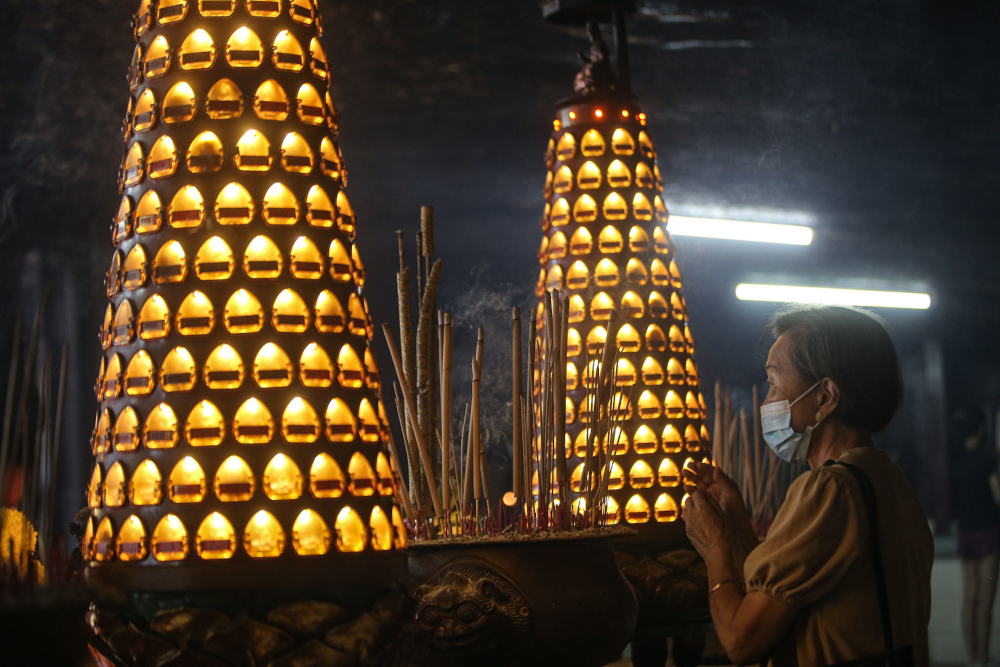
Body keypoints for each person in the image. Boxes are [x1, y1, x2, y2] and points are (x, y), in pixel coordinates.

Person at [682, 305, 934, 666]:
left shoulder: (828, 490)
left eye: (773, 384)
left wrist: (715, 548)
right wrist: (736, 521)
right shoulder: (888, 482)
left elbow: (741, 641)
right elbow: (784, 588)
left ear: (826, 397)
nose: (767, 403)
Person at [951, 408, 1000, 667]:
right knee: (986, 599)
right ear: (981, 429)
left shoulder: (957, 463)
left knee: (970, 596)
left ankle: (972, 658)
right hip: (989, 533)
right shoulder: (986, 459)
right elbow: (998, 496)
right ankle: (982, 657)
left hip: (966, 534)